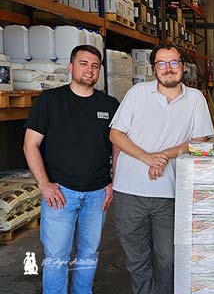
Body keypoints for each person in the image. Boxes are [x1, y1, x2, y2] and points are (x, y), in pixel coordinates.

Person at [109, 43, 214, 294]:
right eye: (162, 64)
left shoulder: (195, 99)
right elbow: (116, 134)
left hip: (170, 193)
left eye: (174, 63)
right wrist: (147, 158)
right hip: (129, 192)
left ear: (183, 66)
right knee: (137, 260)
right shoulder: (137, 93)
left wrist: (164, 156)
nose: (168, 69)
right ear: (154, 68)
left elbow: (199, 141)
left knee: (168, 258)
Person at [23, 45, 119, 293]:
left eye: (95, 66)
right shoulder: (50, 100)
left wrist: (113, 181)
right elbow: (30, 145)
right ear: (71, 67)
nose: (90, 70)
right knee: (57, 255)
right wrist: (44, 185)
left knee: (88, 253)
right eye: (84, 64)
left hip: (98, 193)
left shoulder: (109, 105)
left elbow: (117, 147)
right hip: (60, 193)